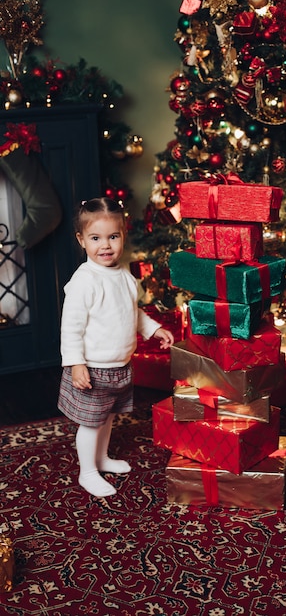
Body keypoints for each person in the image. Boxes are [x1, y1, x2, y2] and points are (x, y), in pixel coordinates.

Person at [57, 197, 174, 497]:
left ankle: (102, 458)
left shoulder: (124, 276)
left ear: (122, 236)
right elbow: (70, 328)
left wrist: (154, 329)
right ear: (81, 240)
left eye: (113, 237)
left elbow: (132, 313)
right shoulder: (84, 282)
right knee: (91, 423)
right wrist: (75, 363)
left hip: (119, 366)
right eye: (96, 238)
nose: (105, 245)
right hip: (92, 368)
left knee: (108, 417)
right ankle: (88, 472)